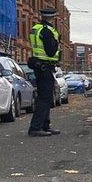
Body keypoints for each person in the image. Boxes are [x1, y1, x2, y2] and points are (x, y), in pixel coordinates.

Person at [27, 8, 61, 137]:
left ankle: (44, 126)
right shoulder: (47, 31)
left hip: (39, 65)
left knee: (44, 97)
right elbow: (51, 51)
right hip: (45, 66)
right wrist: (56, 42)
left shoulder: (36, 28)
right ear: (52, 18)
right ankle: (35, 127)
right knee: (45, 98)